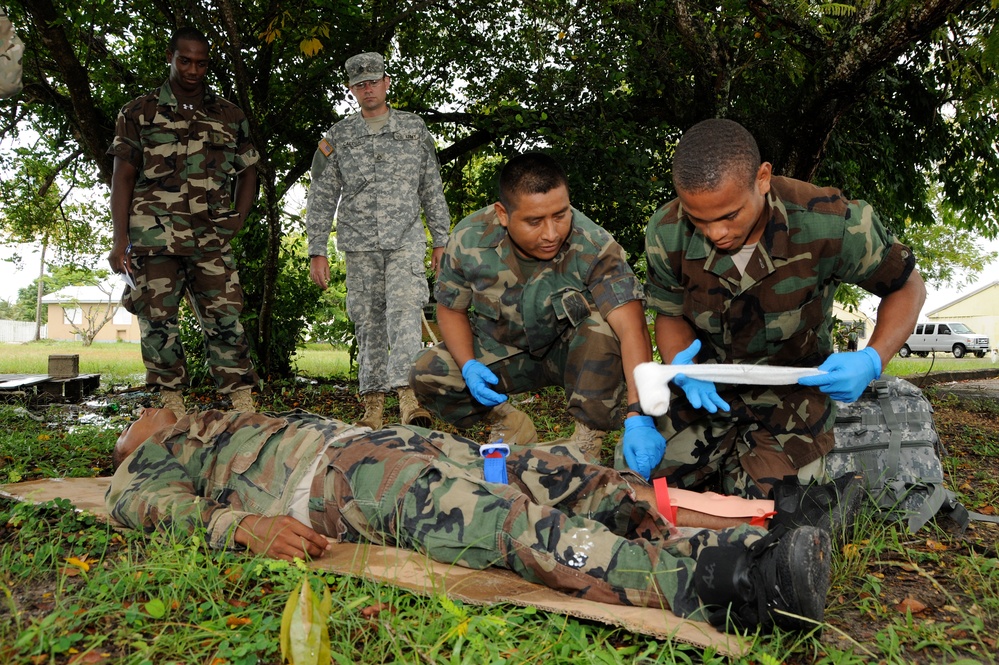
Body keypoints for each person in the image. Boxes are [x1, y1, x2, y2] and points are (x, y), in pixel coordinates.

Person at [107, 406, 834, 635]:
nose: (151, 412)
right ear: (132, 442)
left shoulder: (221, 416)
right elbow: (138, 505)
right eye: (136, 422)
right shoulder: (156, 455)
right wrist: (239, 527)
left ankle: (758, 522)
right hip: (348, 480)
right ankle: (725, 580)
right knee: (504, 523)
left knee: (572, 478)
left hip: (405, 444)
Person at [641, 118, 926, 497]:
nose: (716, 233)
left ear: (762, 178)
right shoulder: (667, 230)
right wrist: (683, 368)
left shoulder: (830, 220)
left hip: (794, 393)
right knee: (640, 492)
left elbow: (908, 286)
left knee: (782, 513)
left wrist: (874, 358)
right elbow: (671, 314)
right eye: (699, 219)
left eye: (729, 215)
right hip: (706, 388)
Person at [410, 153, 665, 465]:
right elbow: (451, 309)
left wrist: (638, 414)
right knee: (427, 371)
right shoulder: (468, 239)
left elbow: (632, 327)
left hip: (573, 354)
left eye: (561, 215)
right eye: (534, 221)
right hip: (503, 352)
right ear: (503, 214)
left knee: (603, 326)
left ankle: (587, 440)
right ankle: (506, 421)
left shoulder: (594, 243)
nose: (551, 233)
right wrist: (467, 366)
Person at [106, 27, 259, 418]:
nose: (193, 69)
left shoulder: (229, 114)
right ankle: (169, 400)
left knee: (225, 317)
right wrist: (119, 239)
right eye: (185, 60)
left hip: (211, 236)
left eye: (201, 63)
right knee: (157, 320)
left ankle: (240, 400)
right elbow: (122, 175)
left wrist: (238, 219)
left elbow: (250, 171)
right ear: (171, 58)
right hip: (153, 235)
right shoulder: (138, 111)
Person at [305, 52, 451, 430]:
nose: (367, 88)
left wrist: (441, 240)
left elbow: (430, 186)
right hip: (360, 244)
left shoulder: (414, 128)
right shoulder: (339, 136)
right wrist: (316, 250)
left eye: (373, 80)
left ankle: (408, 400)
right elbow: (321, 195)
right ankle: (372, 404)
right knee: (367, 321)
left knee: (405, 313)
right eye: (359, 83)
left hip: (405, 240)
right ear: (351, 90)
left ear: (386, 83)